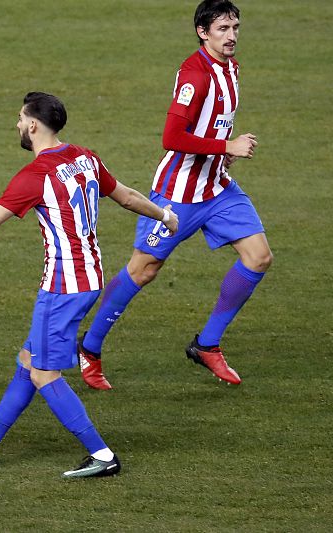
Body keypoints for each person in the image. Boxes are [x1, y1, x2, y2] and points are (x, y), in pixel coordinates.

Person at [0, 92, 178, 478]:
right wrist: (165, 215)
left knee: (44, 374)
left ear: (32, 125)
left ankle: (101, 454)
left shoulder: (36, 175)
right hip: (90, 276)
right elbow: (127, 197)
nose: (16, 124)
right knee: (29, 359)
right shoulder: (85, 158)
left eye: (20, 118)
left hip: (63, 287)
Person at [78, 0, 272, 390]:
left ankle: (207, 344)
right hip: (176, 194)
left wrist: (223, 154)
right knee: (143, 270)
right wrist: (227, 146)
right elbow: (172, 137)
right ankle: (90, 347)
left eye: (235, 27)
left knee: (259, 257)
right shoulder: (194, 75)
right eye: (223, 28)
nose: (232, 35)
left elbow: (211, 124)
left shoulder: (231, 68)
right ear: (203, 32)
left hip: (217, 188)